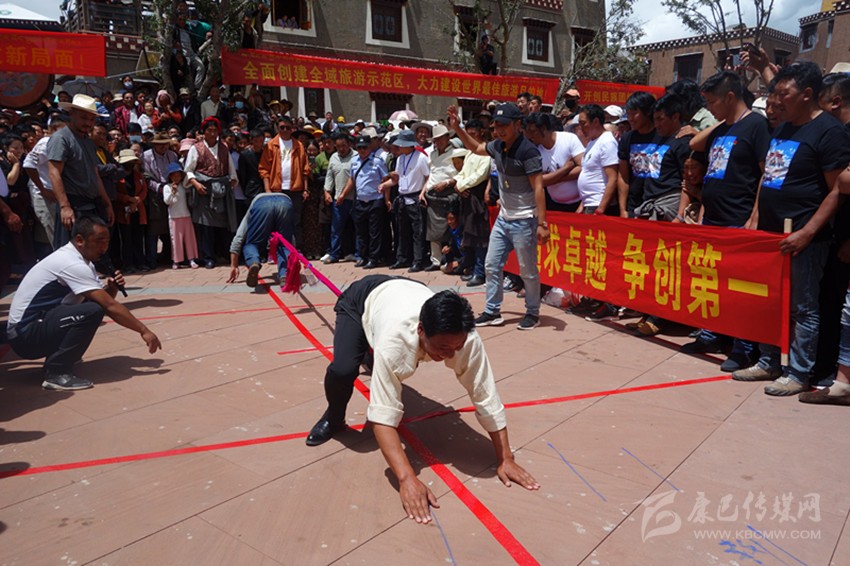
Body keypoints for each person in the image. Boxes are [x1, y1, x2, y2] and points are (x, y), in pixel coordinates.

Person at [304, 275, 540, 523]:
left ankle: (370, 352)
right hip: (362, 299)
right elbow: (382, 414)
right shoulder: (394, 342)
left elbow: (485, 392)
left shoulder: (466, 339)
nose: (450, 355)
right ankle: (334, 417)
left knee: (390, 362)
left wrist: (505, 458)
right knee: (343, 369)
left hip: (406, 290)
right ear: (420, 330)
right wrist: (406, 478)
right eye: (442, 348)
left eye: (456, 348)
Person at [732, 61, 850, 396]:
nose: (777, 99)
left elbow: (837, 191)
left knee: (802, 307)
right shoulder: (783, 128)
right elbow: (768, 175)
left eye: (784, 93)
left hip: (803, 237)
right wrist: (755, 216)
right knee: (769, 300)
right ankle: (768, 360)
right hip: (770, 233)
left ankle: (799, 372)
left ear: (807, 94)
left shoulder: (829, 132)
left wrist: (808, 232)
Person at [5, 215, 162, 391]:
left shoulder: (82, 261)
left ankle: (63, 357)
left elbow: (99, 301)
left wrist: (112, 288)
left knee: (91, 309)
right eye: (99, 241)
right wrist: (144, 330)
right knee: (91, 312)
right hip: (25, 335)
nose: (104, 247)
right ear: (80, 240)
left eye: (107, 242)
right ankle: (56, 372)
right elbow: (108, 306)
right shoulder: (71, 263)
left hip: (34, 326)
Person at [680, 71, 771, 368]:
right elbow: (695, 144)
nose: (709, 108)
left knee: (739, 286)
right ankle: (710, 334)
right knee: (711, 280)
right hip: (713, 217)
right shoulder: (721, 129)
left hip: (738, 217)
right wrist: (723, 120)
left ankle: (742, 348)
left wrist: (755, 213)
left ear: (730, 97)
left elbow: (766, 172)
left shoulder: (756, 125)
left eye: (712, 102)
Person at [449, 103, 549, 330]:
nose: (499, 130)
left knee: (527, 271)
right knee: (492, 265)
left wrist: (542, 223)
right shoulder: (497, 146)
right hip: (504, 220)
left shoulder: (528, 151)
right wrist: (458, 128)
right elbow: (476, 147)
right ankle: (492, 311)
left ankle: (532, 312)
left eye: (504, 125)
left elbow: (538, 188)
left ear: (517, 125)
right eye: (496, 126)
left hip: (525, 220)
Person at [48, 94, 115, 248]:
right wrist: (65, 206)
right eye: (84, 118)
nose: (88, 123)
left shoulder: (89, 142)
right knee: (70, 252)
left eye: (92, 119)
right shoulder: (61, 138)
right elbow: (54, 172)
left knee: (91, 250)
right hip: (73, 205)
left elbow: (95, 174)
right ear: (72, 114)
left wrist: (107, 204)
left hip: (90, 206)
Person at [184, 116, 239, 268]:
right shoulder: (196, 148)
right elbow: (188, 170)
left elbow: (230, 168)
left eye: (215, 130)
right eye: (209, 130)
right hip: (204, 191)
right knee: (206, 226)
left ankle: (224, 253)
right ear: (204, 132)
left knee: (223, 224)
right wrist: (196, 184)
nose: (212, 133)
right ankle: (208, 257)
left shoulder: (224, 148)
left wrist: (232, 180)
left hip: (221, 190)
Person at [336, 135, 389, 269]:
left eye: (364, 147)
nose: (362, 150)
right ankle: (363, 257)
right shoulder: (354, 161)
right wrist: (343, 194)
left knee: (374, 232)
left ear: (369, 147)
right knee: (361, 231)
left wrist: (387, 200)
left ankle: (373, 258)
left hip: (375, 200)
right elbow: (352, 179)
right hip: (360, 201)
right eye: (359, 148)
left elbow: (386, 180)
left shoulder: (378, 161)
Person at [259, 115, 311, 248]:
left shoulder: (299, 145)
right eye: (282, 127)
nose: (285, 130)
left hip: (296, 189)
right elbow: (264, 169)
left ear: (292, 128)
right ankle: (275, 249)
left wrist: (305, 189)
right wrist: (267, 190)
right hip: (277, 189)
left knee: (296, 220)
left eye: (288, 127)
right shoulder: (271, 145)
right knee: (276, 220)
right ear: (277, 128)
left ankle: (296, 249)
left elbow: (305, 169)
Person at [450, 121, 491, 287]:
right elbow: (463, 173)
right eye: (468, 133)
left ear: (481, 132)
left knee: (480, 236)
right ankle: (473, 267)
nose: (470, 136)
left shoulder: (486, 151)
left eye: (473, 133)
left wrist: (461, 186)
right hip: (466, 197)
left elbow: (480, 175)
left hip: (478, 198)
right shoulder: (469, 153)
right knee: (470, 235)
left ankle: (480, 272)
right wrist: (457, 185)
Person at [226, 192, 295, 287]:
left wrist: (234, 265)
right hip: (285, 203)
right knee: (284, 245)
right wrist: (291, 260)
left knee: (252, 244)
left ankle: (254, 261)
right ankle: (284, 275)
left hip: (262, 205)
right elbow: (291, 240)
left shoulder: (253, 207)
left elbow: (239, 236)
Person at [385, 129, 430, 271]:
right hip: (402, 197)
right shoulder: (400, 159)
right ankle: (402, 258)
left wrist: (422, 192)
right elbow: (397, 178)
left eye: (402, 145)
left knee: (418, 232)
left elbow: (428, 177)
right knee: (402, 231)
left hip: (415, 197)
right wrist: (385, 184)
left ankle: (418, 260)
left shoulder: (421, 158)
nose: (400, 147)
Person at [523, 112, 584, 213]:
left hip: (577, 203)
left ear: (543, 128)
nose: (530, 136)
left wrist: (552, 178)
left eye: (533, 131)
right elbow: (539, 182)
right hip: (552, 204)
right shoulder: (534, 150)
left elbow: (583, 168)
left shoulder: (569, 139)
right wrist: (566, 169)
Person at [423, 124, 458, 271]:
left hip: (449, 193)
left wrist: (447, 183)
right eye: (435, 140)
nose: (438, 142)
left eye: (440, 139)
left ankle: (451, 259)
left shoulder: (457, 153)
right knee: (433, 230)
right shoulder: (432, 154)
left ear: (447, 137)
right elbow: (431, 174)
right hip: (433, 195)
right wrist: (423, 191)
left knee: (451, 228)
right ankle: (435, 260)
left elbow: (461, 173)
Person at [618, 91, 657, 217]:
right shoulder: (627, 138)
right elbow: (623, 176)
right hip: (633, 207)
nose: (630, 118)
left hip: (658, 208)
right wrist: (623, 209)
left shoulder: (663, 136)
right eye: (628, 114)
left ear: (648, 112)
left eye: (634, 113)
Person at [322, 132, 356, 264]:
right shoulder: (334, 157)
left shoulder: (356, 157)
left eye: (344, 146)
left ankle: (358, 254)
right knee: (336, 229)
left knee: (357, 228)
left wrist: (344, 194)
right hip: (338, 199)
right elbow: (329, 176)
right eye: (338, 146)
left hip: (354, 199)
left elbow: (353, 178)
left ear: (349, 144)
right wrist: (327, 192)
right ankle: (334, 254)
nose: (341, 149)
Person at [162, 161, 199, 269]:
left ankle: (191, 259)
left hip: (186, 215)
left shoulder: (184, 186)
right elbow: (167, 201)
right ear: (170, 176)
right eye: (174, 175)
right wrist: (173, 192)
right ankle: (176, 260)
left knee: (189, 239)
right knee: (176, 240)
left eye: (178, 175)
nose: (176, 177)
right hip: (174, 217)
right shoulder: (167, 187)